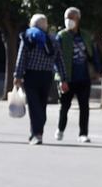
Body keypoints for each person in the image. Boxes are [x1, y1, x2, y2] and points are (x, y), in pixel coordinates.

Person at [10, 13, 64, 145]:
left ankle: (37, 134)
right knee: (42, 104)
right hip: (47, 76)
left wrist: (17, 75)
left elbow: (22, 57)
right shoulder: (53, 40)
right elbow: (60, 61)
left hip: (31, 75)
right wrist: (64, 77)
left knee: (34, 106)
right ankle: (36, 132)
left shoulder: (28, 37)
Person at [55, 8, 102, 144]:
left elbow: (93, 54)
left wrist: (98, 70)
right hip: (67, 78)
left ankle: (83, 133)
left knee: (84, 107)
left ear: (78, 20)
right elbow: (56, 59)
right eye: (67, 18)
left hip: (83, 77)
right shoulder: (61, 36)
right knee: (65, 106)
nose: (68, 21)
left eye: (72, 18)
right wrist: (60, 79)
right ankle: (60, 129)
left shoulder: (86, 36)